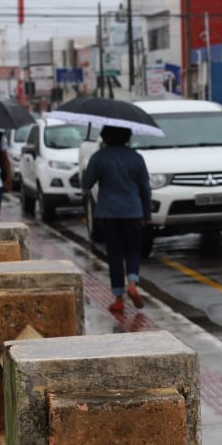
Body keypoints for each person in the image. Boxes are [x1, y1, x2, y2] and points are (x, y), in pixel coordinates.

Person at [80, 125, 152, 313]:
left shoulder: (98, 157)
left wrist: (89, 172)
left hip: (107, 213)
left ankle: (118, 298)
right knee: (133, 250)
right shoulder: (136, 158)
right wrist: (147, 214)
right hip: (133, 212)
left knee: (115, 254)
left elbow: (86, 184)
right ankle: (132, 283)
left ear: (104, 137)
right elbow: (145, 189)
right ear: (128, 137)